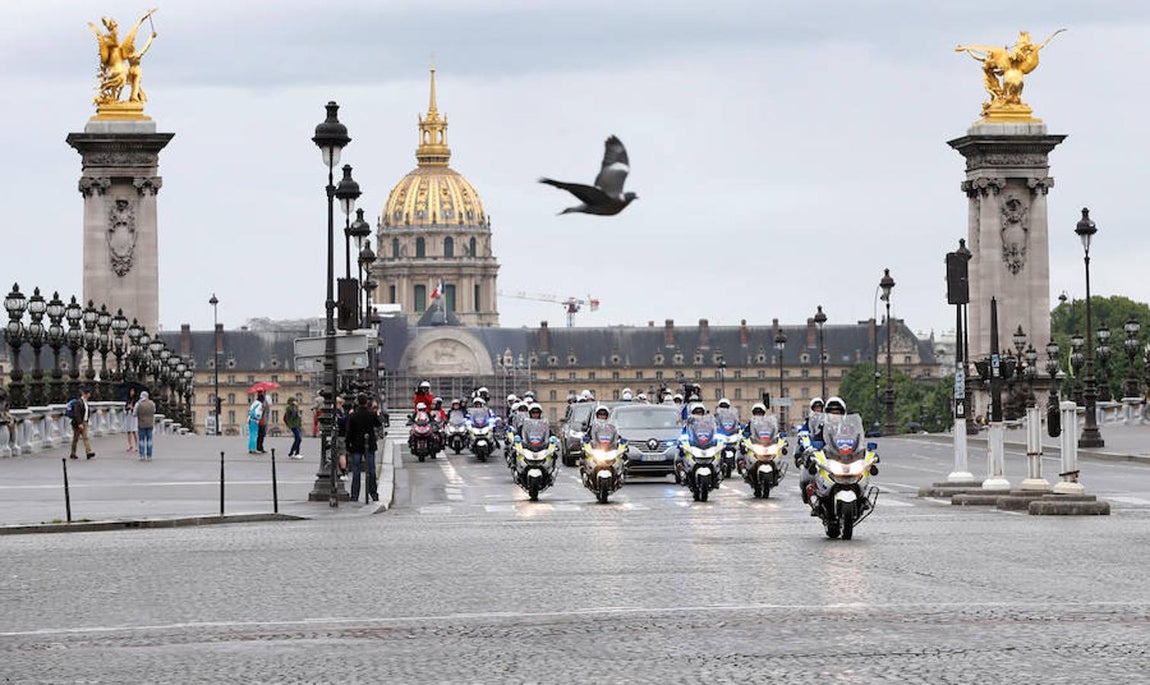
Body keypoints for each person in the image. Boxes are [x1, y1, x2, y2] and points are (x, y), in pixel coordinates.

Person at [345, 393, 383, 503]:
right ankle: (373, 493)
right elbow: (379, 424)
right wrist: (377, 412)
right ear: (367, 402)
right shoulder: (371, 414)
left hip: (356, 445)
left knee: (356, 471)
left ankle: (355, 495)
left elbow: (349, 432)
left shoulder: (353, 415)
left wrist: (348, 445)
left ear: (358, 402)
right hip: (369, 444)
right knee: (371, 470)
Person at [69, 387, 95, 460]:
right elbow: (76, 413)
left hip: (85, 422)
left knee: (85, 437)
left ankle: (88, 452)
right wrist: (79, 423)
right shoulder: (79, 402)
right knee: (75, 438)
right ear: (85, 394)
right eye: (89, 393)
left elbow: (86, 412)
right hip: (78, 423)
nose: (90, 395)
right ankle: (73, 453)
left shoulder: (86, 402)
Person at [135, 390, 156, 461]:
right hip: (150, 424)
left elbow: (134, 414)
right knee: (149, 440)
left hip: (141, 424)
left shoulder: (138, 404)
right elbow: (154, 411)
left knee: (141, 440)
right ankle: (149, 455)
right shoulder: (152, 403)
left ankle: (142, 455)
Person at [124, 386, 139, 452]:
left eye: (133, 391)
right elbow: (125, 408)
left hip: (134, 416)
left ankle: (136, 445)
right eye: (131, 391)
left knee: (134, 431)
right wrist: (128, 407)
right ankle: (130, 445)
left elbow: (137, 410)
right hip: (128, 416)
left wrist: (132, 408)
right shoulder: (128, 400)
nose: (131, 392)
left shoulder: (136, 401)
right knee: (128, 431)